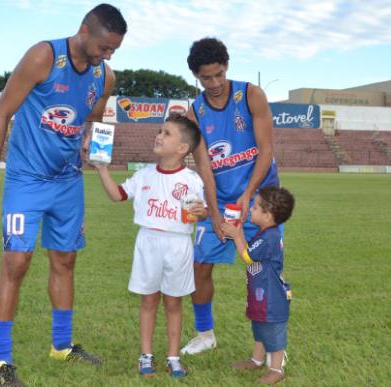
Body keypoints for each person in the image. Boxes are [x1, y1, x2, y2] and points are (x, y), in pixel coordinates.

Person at [0, 4, 127, 386]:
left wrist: (92, 142)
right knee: (16, 263)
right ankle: (0, 362)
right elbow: (1, 114)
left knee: (65, 260)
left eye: (114, 51)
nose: (108, 57)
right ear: (84, 30)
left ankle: (62, 346)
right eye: (104, 47)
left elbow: (93, 117)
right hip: (27, 179)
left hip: (68, 181)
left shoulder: (104, 76)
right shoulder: (44, 56)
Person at [181, 37, 281, 355]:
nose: (214, 83)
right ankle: (205, 333)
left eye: (218, 74)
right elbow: (205, 168)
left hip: (260, 199)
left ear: (227, 67)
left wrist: (248, 195)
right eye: (205, 78)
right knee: (199, 265)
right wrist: (213, 213)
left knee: (261, 272)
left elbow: (266, 151)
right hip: (222, 201)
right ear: (196, 76)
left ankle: (268, 345)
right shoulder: (194, 112)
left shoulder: (251, 94)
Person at [94, 113, 208, 378]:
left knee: (174, 303)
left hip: (178, 244)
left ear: (182, 149)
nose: (159, 135)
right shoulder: (144, 174)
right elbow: (117, 195)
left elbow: (195, 213)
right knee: (148, 300)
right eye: (160, 130)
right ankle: (146, 355)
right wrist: (101, 168)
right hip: (148, 242)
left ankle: (173, 357)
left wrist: (200, 212)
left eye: (167, 133)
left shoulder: (191, 179)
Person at [220, 186, 295, 385]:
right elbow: (251, 253)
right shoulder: (265, 233)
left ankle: (276, 369)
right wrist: (239, 231)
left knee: (273, 333)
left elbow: (247, 256)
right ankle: (256, 359)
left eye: (255, 207)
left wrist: (236, 235)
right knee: (260, 328)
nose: (251, 210)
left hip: (272, 299)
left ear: (268, 215)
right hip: (262, 295)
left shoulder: (270, 237)